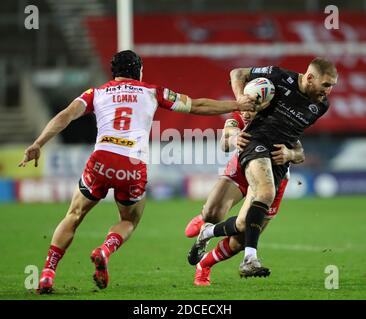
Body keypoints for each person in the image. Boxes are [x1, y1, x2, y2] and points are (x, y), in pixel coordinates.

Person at [18, 50, 257, 294]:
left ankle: (47, 273)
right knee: (129, 219)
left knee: (74, 215)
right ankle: (105, 250)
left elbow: (65, 115)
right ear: (139, 70)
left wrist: (38, 143)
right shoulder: (152, 91)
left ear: (114, 72)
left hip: (101, 159)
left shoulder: (95, 93)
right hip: (131, 165)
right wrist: (237, 104)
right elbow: (198, 105)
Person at [187, 57, 338, 279]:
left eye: (332, 85)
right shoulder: (274, 81)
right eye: (326, 84)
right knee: (219, 210)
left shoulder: (320, 106)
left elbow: (296, 144)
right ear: (310, 77)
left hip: (277, 163)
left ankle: (207, 237)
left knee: (242, 226)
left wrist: (290, 154)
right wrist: (238, 113)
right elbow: (237, 74)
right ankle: (249, 259)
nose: (329, 91)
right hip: (254, 146)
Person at [185, 110, 305, 285]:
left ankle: (204, 263)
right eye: (244, 107)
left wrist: (290, 154)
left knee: (241, 235)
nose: (246, 113)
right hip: (244, 167)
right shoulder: (238, 115)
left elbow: (300, 153)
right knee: (213, 213)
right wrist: (233, 138)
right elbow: (224, 143)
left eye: (253, 107)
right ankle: (204, 219)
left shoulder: (281, 118)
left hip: (275, 178)